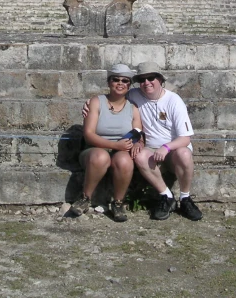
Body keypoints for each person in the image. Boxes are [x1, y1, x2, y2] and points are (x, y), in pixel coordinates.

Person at [82, 61, 203, 222]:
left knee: (184, 154)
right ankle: (166, 196)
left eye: (151, 78)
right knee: (140, 156)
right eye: (142, 80)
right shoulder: (134, 96)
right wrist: (88, 104)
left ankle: (186, 198)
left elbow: (185, 138)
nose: (147, 83)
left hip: (173, 149)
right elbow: (114, 98)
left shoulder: (174, 100)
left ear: (160, 80)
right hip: (151, 148)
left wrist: (166, 147)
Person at [70, 64, 143, 222]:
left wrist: (138, 143)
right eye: (115, 79)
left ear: (129, 85)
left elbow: (137, 133)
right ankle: (85, 197)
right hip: (94, 150)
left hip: (121, 151)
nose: (120, 83)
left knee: (125, 161)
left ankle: (118, 202)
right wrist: (115, 145)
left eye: (125, 80)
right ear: (109, 82)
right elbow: (89, 135)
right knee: (101, 156)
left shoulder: (133, 108)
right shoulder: (97, 102)